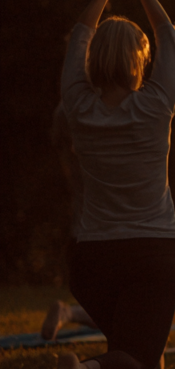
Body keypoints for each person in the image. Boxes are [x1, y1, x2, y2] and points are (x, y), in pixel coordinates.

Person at [45, 0, 175, 369]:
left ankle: (125, 353)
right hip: (152, 254)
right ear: (138, 62)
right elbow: (169, 37)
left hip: (90, 262)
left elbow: (79, 37)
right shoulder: (155, 105)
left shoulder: (78, 107)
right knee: (137, 367)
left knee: (137, 347)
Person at [40, 104, 100, 341]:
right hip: (104, 234)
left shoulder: (64, 113)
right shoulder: (99, 112)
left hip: (79, 236)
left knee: (105, 311)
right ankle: (68, 312)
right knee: (117, 314)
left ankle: (67, 312)